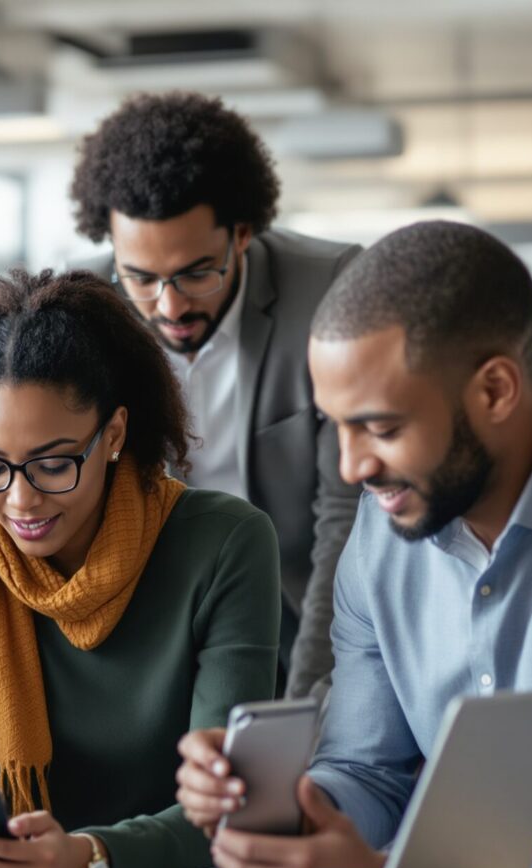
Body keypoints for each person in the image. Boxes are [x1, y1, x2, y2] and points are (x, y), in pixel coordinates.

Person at [175, 221, 532, 868]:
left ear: (495, 390)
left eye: (382, 428)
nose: (352, 468)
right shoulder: (385, 527)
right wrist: (282, 813)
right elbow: (368, 772)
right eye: (337, 426)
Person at [0, 269, 282, 868]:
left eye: (54, 463)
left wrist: (89, 860)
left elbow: (226, 795)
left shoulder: (224, 544)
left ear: (114, 436)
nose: (20, 499)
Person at [70, 91, 360, 699]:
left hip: (301, 609)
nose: (170, 306)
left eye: (197, 273)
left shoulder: (330, 291)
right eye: (141, 278)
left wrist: (309, 701)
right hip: (159, 622)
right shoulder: (84, 309)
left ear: (243, 233)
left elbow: (344, 521)